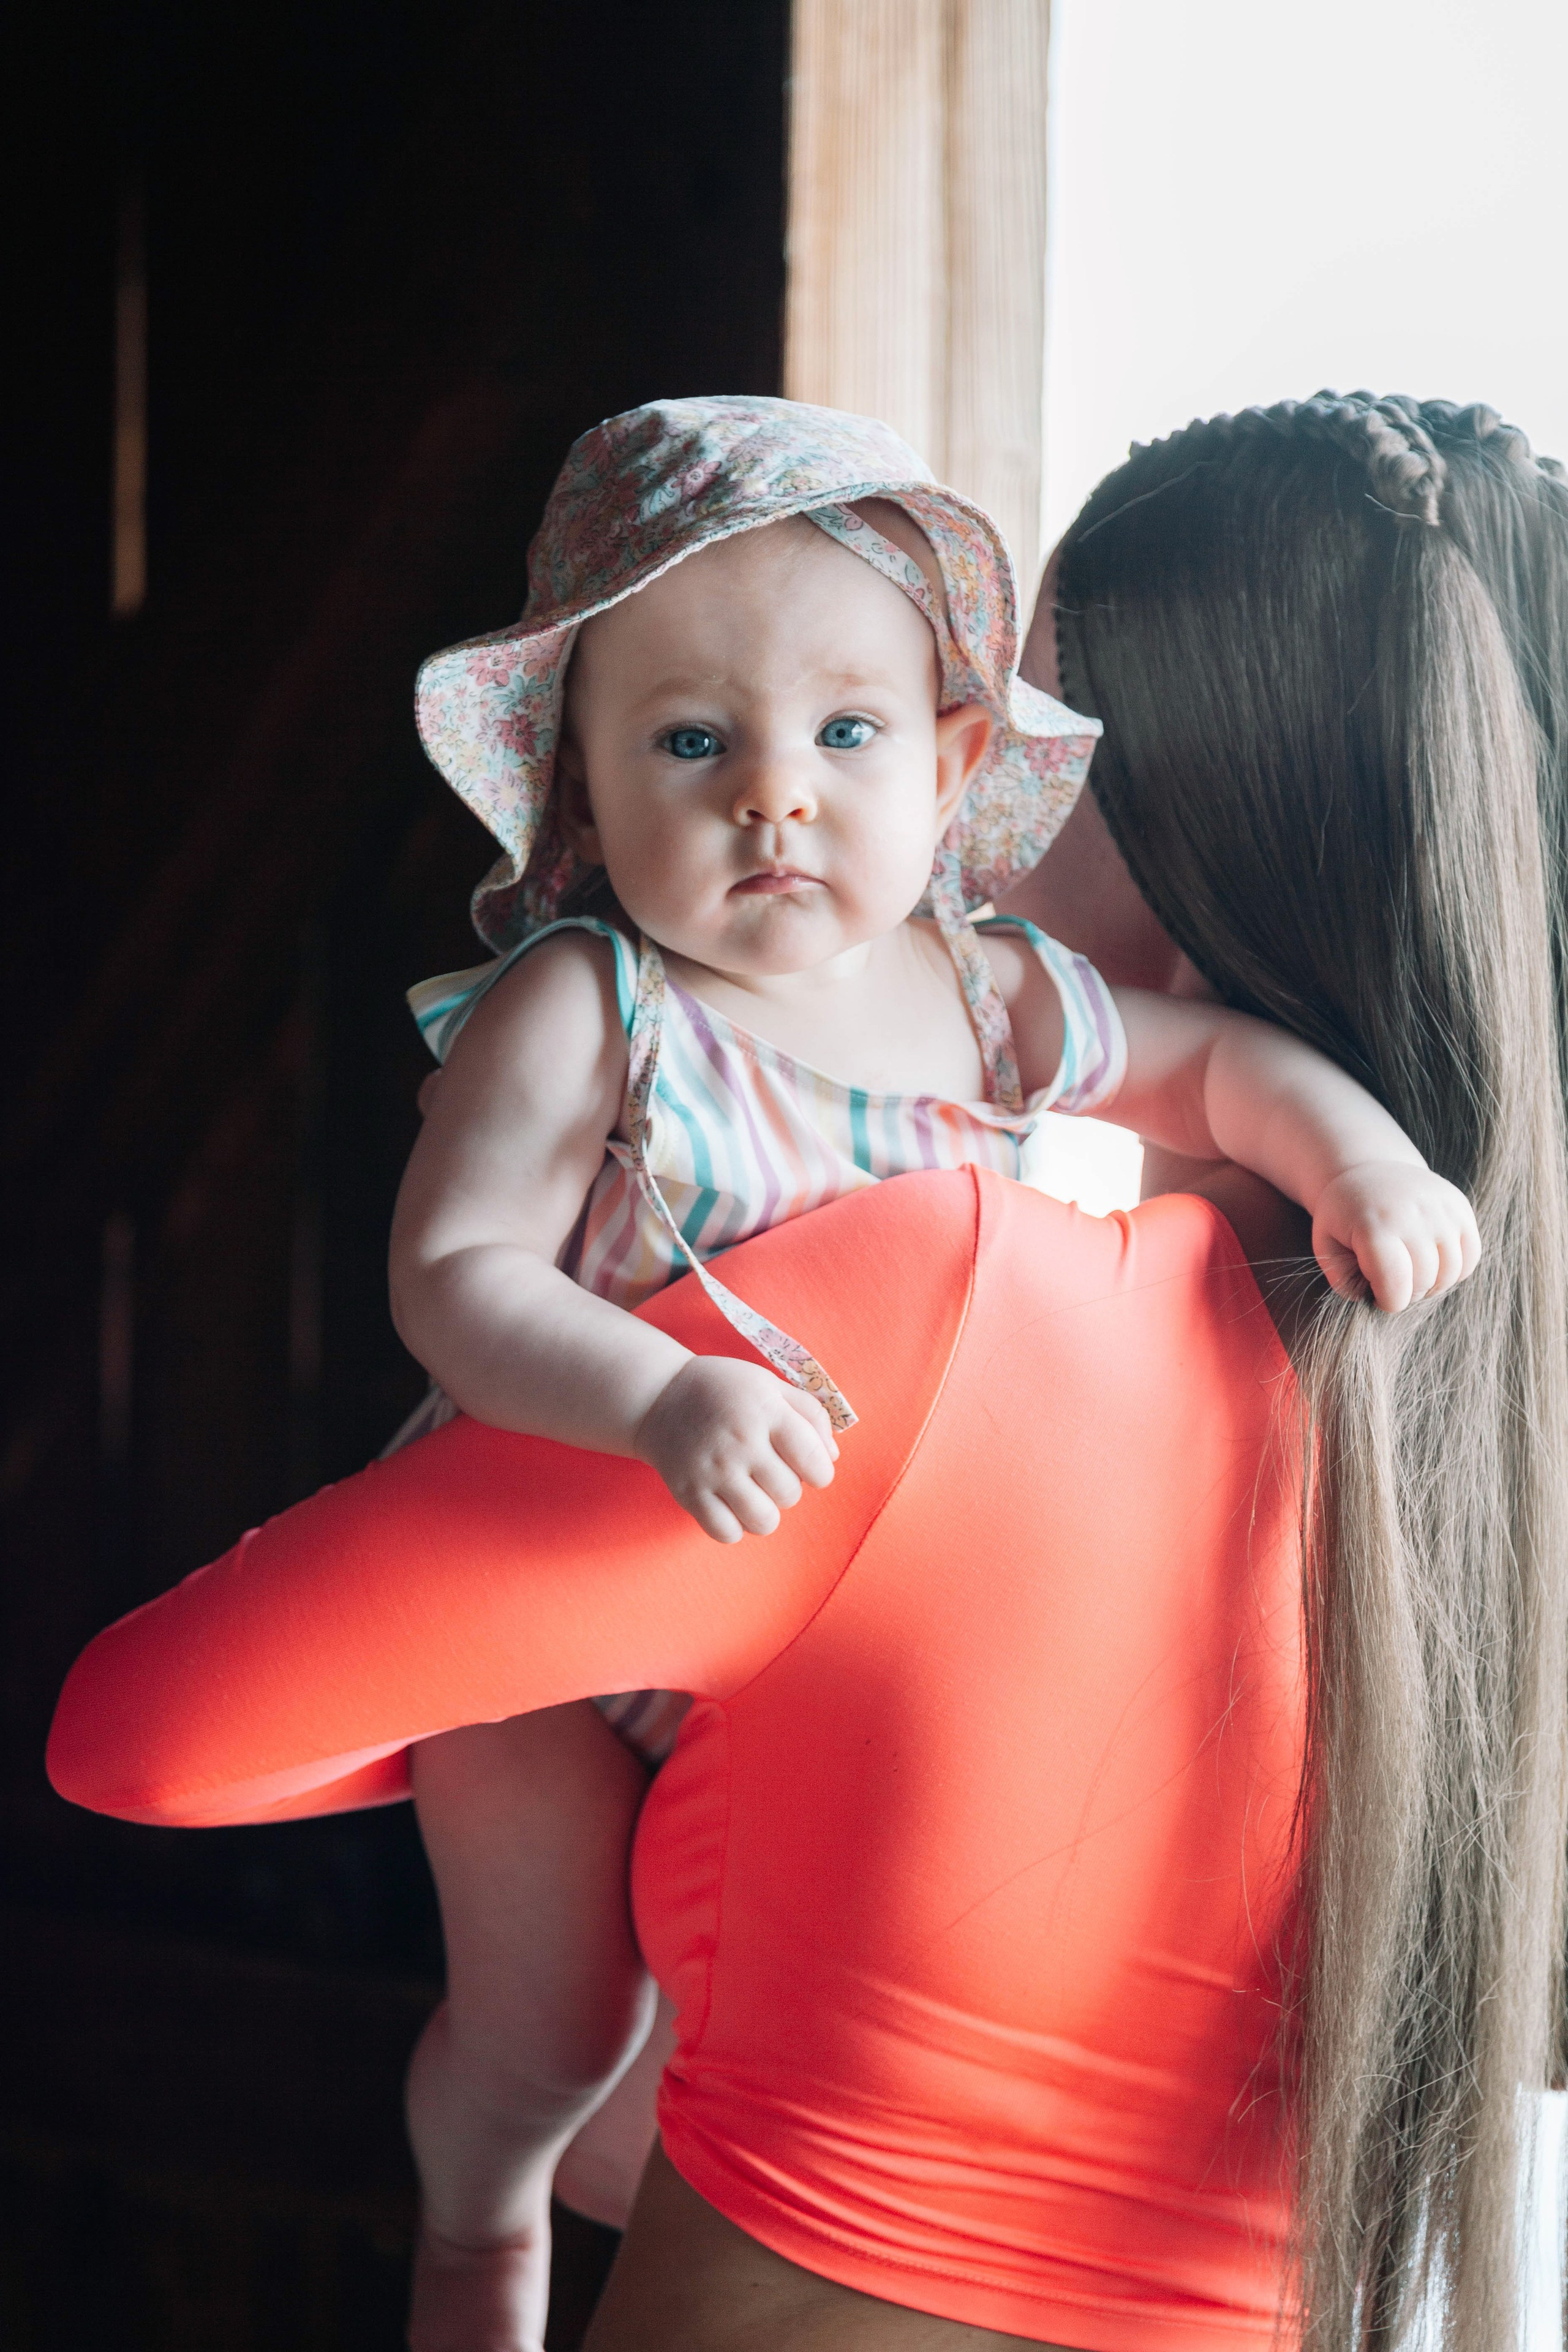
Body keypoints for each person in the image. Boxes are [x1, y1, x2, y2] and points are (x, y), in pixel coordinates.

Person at [45, 390, 1568, 2352]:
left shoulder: (920, 1308)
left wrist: (503, 1653)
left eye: (996, 716)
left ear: (1129, 801)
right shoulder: (1499, 1474)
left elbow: (142, 1730)